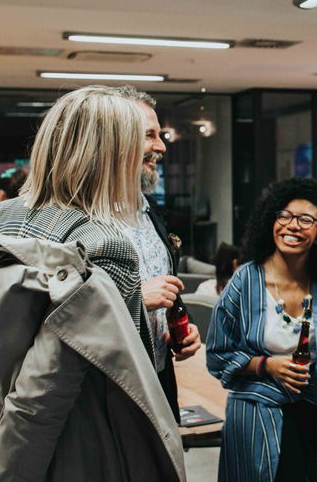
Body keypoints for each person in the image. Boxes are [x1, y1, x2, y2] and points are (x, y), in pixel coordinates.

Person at [0, 86, 184, 480]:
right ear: (113, 155)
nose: (153, 151)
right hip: (70, 450)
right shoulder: (105, 246)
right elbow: (45, 397)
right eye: (137, 140)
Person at [207, 177, 317, 482]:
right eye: (284, 215)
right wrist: (267, 365)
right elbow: (217, 354)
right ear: (271, 221)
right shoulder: (245, 281)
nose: (292, 225)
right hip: (256, 415)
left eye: (306, 219)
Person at [114, 86, 202, 421]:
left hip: (159, 379)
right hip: (112, 389)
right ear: (117, 141)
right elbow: (59, 312)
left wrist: (182, 328)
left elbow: (163, 289)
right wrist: (134, 298)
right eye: (150, 135)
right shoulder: (81, 220)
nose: (161, 146)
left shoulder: (150, 210)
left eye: (160, 135)